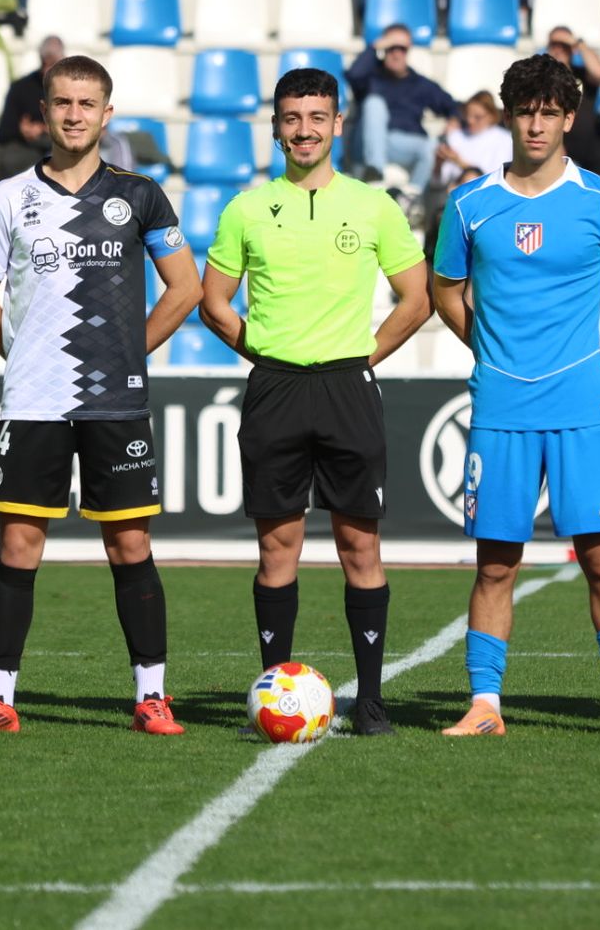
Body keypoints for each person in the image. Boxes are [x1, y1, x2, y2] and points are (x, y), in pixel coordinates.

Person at [0, 56, 201, 737]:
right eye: (62, 102)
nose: (73, 114)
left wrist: (127, 352)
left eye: (87, 104)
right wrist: (22, 350)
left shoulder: (141, 194)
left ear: (106, 113)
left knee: (129, 543)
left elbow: (185, 288)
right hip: (35, 401)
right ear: (44, 110)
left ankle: (152, 695)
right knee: (19, 542)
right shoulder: (7, 197)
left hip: (113, 403)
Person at [431, 53, 600, 737]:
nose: (535, 124)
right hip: (501, 407)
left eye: (548, 112)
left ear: (570, 117)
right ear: (508, 115)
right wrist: (485, 347)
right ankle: (485, 706)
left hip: (579, 408)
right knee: (496, 561)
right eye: (524, 111)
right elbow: (445, 288)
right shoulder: (470, 205)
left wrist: (593, 360)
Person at [199, 67, 431, 737]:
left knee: (361, 543)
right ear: (275, 126)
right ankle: (274, 693)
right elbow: (214, 302)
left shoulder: (373, 204)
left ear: (337, 124)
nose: (304, 130)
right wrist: (264, 352)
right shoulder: (245, 208)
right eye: (292, 117)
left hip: (346, 388)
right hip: (275, 388)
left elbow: (416, 299)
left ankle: (374, 701)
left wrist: (364, 356)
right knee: (279, 545)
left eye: (317, 117)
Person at [346, 23, 461, 193]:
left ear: (409, 50)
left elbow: (453, 106)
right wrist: (377, 45)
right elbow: (353, 75)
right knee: (374, 103)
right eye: (391, 47)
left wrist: (454, 119)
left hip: (401, 144)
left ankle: (411, 198)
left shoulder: (420, 83)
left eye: (402, 48)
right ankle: (376, 174)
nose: (396, 53)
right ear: (384, 48)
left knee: (431, 146)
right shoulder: (371, 75)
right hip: (367, 144)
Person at [545, 25, 600, 180]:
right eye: (554, 45)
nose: (559, 49)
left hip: (590, 142)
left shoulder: (583, 74)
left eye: (564, 45)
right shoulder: (541, 77)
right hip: (558, 140)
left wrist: (577, 42)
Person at [0, 36, 62, 178]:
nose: (47, 70)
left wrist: (49, 129)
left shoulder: (75, 87)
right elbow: (4, 130)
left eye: (53, 63)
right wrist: (23, 131)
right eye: (45, 62)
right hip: (28, 147)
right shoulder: (21, 87)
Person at [436, 91, 512, 186]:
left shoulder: (505, 140)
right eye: (467, 115)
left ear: (491, 116)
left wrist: (459, 161)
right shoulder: (455, 136)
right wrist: (438, 162)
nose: (470, 120)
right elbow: (437, 183)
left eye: (477, 117)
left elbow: (494, 180)